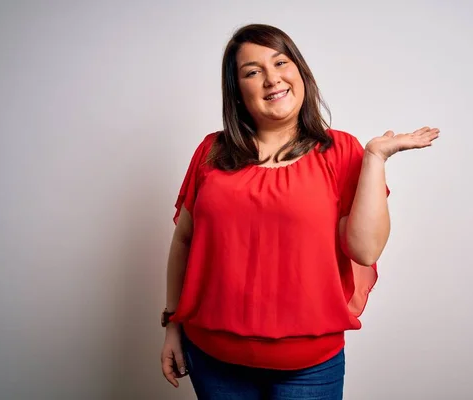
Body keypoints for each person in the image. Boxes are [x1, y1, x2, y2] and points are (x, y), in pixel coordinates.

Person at [159, 23, 439, 399]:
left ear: (300, 73)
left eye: (280, 62)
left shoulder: (340, 151)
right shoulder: (211, 151)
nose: (271, 78)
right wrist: (172, 326)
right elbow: (184, 242)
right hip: (212, 360)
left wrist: (375, 159)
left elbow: (365, 250)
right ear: (237, 91)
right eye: (252, 72)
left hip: (309, 368)